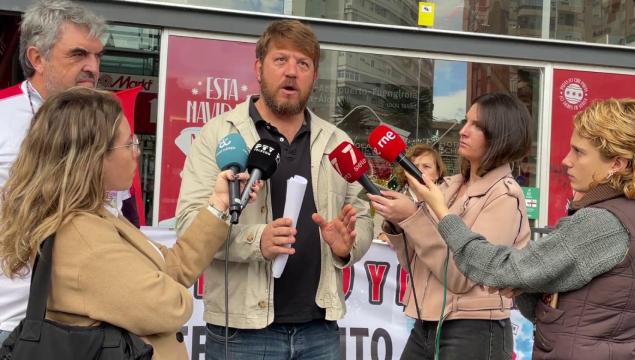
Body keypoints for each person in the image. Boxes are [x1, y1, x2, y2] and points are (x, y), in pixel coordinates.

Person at [0, 87, 260, 359]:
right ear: (92, 157)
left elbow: (174, 266)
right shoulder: (84, 238)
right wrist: (168, 287)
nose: (137, 152)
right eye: (129, 143)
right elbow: (168, 306)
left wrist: (219, 203)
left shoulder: (96, 216)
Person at [176, 19, 373, 360]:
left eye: (303, 64)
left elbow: (364, 213)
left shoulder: (336, 141)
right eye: (281, 60)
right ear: (258, 68)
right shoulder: (220, 135)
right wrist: (257, 242)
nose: (292, 72)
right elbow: (189, 225)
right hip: (241, 333)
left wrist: (348, 247)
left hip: (319, 329)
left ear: (314, 75)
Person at [410, 98, 635, 360]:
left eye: (579, 152)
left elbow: (500, 269)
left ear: (617, 164)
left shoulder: (603, 223)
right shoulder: (626, 215)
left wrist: (442, 213)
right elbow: (572, 310)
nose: (566, 160)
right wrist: (528, 286)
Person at [0, 0, 146, 344]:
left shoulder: (111, 124)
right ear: (37, 58)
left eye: (97, 56)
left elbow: (126, 218)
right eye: (78, 54)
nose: (92, 68)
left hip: (91, 325)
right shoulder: (4, 119)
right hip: (11, 321)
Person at [369, 93, 532, 360]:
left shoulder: (504, 196)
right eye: (465, 122)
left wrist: (413, 217)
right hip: (426, 323)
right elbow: (417, 261)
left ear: (501, 135)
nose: (463, 131)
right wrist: (399, 223)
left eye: (476, 126)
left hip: (474, 329)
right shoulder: (451, 186)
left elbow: (461, 276)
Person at [376, 143, 445, 243]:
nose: (419, 170)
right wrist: (388, 236)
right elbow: (390, 229)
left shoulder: (448, 197)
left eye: (426, 166)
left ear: (438, 173)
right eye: (414, 166)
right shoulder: (395, 200)